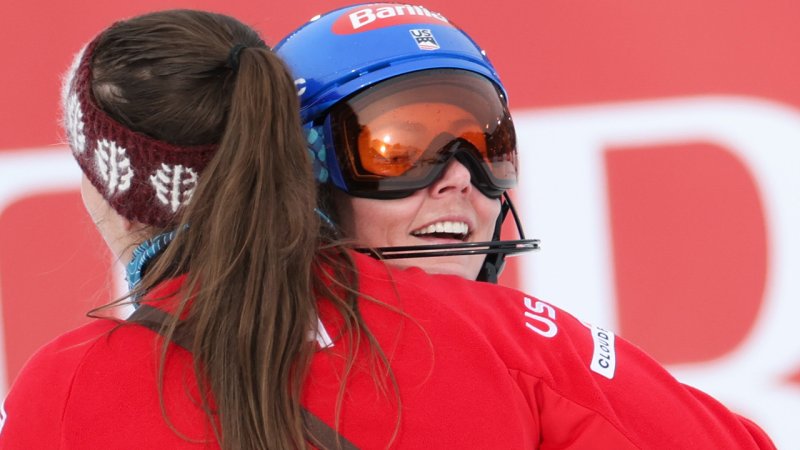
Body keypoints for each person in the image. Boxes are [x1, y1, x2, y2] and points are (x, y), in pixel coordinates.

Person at [0, 6, 775, 450]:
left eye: (486, 142)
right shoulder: (501, 340)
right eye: (395, 147)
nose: (457, 177)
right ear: (300, 170)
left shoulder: (63, 390)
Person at [275, 2, 539, 284]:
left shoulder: (553, 328)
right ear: (307, 184)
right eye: (401, 154)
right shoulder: (242, 329)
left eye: (486, 147)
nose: (461, 177)